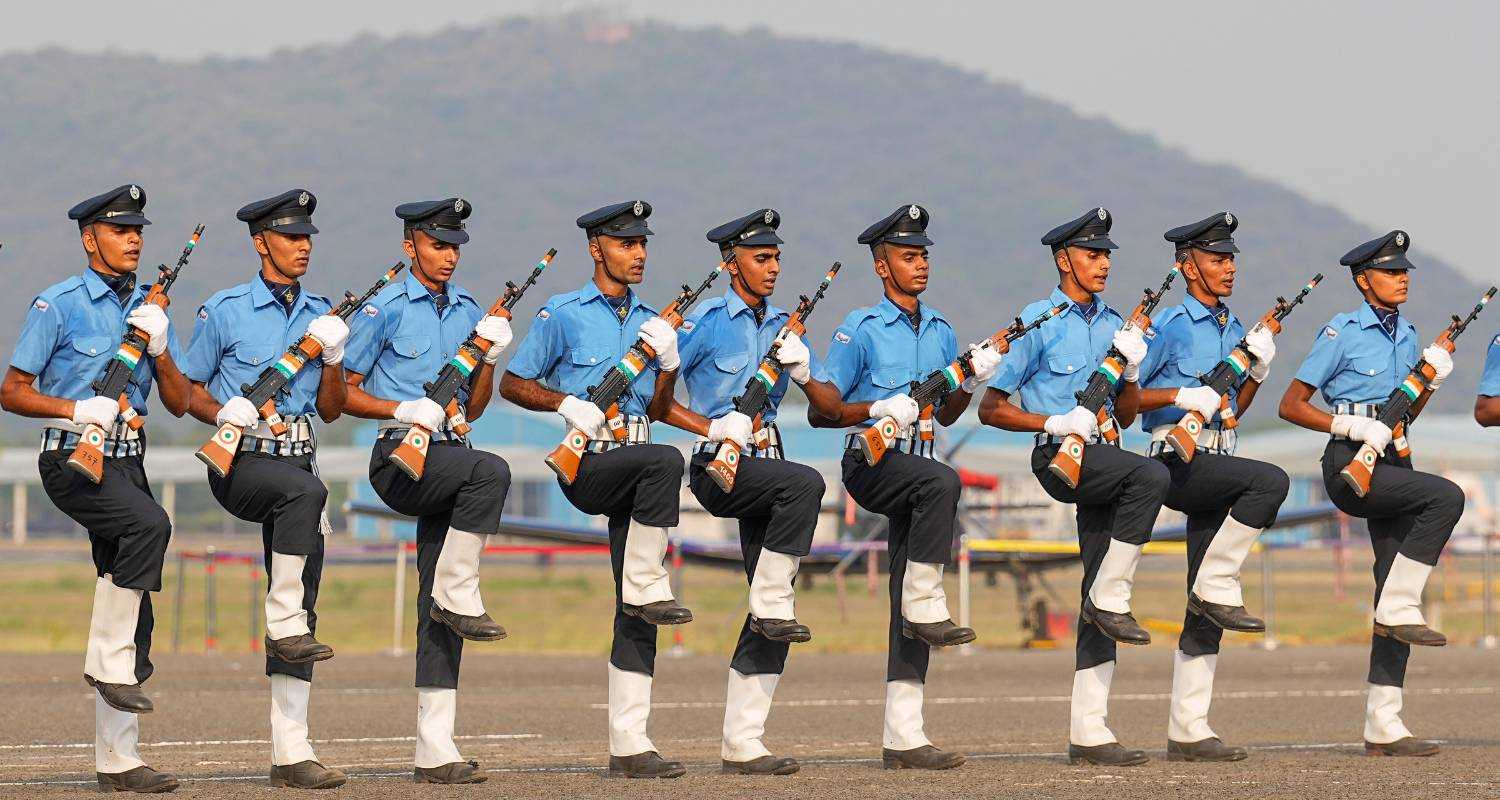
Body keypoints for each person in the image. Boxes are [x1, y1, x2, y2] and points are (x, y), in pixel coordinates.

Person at [0, 184, 190, 792]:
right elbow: (11, 390)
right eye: (119, 230)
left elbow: (181, 403)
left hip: (128, 463)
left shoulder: (150, 308)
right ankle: (103, 661)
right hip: (70, 459)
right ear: (90, 239)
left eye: (138, 230)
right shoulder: (56, 305)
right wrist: (77, 407)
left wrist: (159, 349)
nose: (133, 239)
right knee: (150, 526)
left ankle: (119, 763)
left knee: (140, 618)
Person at [500, 200, 691, 778]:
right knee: (664, 464)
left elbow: (658, 410)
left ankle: (630, 744)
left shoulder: (652, 322)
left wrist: (668, 364)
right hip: (591, 461)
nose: (639, 254)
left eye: (643, 245)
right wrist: (568, 402)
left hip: (639, 459)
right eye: (627, 244)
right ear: (597, 248)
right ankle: (646, 581)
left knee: (637, 609)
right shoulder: (562, 313)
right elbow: (512, 382)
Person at [978, 207, 1165, 766]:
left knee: (1097, 582)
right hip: (1058, 456)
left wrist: (1130, 368)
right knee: (1152, 475)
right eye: (1091, 254)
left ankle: (1089, 731)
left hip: (1106, 459)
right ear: (1064, 260)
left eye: (1107, 254)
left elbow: (1127, 416)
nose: (1102, 263)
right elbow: (992, 408)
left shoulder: (1115, 325)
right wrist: (1054, 423)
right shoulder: (1039, 320)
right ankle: (1113, 596)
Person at [811, 204, 993, 770]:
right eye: (909, 257)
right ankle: (925, 597)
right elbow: (826, 412)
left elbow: (953, 412)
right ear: (882, 266)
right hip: (871, 466)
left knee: (906, 597)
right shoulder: (860, 329)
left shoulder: (940, 331)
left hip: (920, 478)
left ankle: (904, 737)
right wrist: (878, 407)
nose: (921, 266)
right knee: (942, 486)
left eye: (924, 256)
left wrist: (972, 376)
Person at [661, 208, 840, 775]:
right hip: (720, 464)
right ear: (730, 262)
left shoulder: (784, 325)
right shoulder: (707, 321)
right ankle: (771, 601)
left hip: (768, 467)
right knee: (808, 485)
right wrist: (712, 428)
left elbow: (829, 410)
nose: (773, 267)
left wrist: (806, 372)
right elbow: (656, 400)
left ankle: (744, 741)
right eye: (762, 258)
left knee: (775, 607)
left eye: (777, 257)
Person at [342, 197, 513, 784]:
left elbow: (476, 405)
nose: (449, 256)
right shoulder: (384, 309)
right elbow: (341, 394)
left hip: (449, 459)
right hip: (398, 455)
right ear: (410, 246)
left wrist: (489, 356)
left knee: (434, 601)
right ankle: (458, 589)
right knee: (492, 471)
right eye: (438, 245)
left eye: (455, 246)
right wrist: (402, 406)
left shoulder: (467, 310)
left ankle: (433, 749)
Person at [1278, 229, 1464, 757]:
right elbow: (1291, 404)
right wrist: (1348, 428)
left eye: (1405, 271)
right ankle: (1400, 607)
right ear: (1364, 281)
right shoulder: (1343, 331)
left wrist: (1430, 377)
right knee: (1446, 498)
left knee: (1389, 587)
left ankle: (1384, 726)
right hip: (1349, 463)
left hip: (1392, 461)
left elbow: (1405, 415)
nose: (1402, 278)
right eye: (1390, 271)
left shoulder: (1407, 334)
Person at [1134, 212, 1289, 761]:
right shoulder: (1170, 325)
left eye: (1231, 259)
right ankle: (1215, 584)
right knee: (1272, 481)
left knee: (1207, 611)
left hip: (1219, 459)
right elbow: (1126, 399)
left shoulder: (1233, 326)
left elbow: (1233, 411)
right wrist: (1183, 394)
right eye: (1218, 258)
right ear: (1187, 265)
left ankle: (1189, 728)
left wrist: (1256, 373)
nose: (1229, 268)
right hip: (1177, 462)